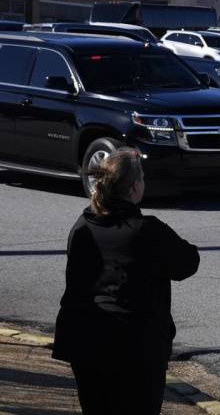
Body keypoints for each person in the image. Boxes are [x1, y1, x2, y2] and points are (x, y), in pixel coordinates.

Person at [52, 148, 200, 414]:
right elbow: (188, 262)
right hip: (133, 347)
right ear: (134, 187)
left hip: (84, 340)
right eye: (141, 178)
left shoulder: (83, 225)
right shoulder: (145, 230)